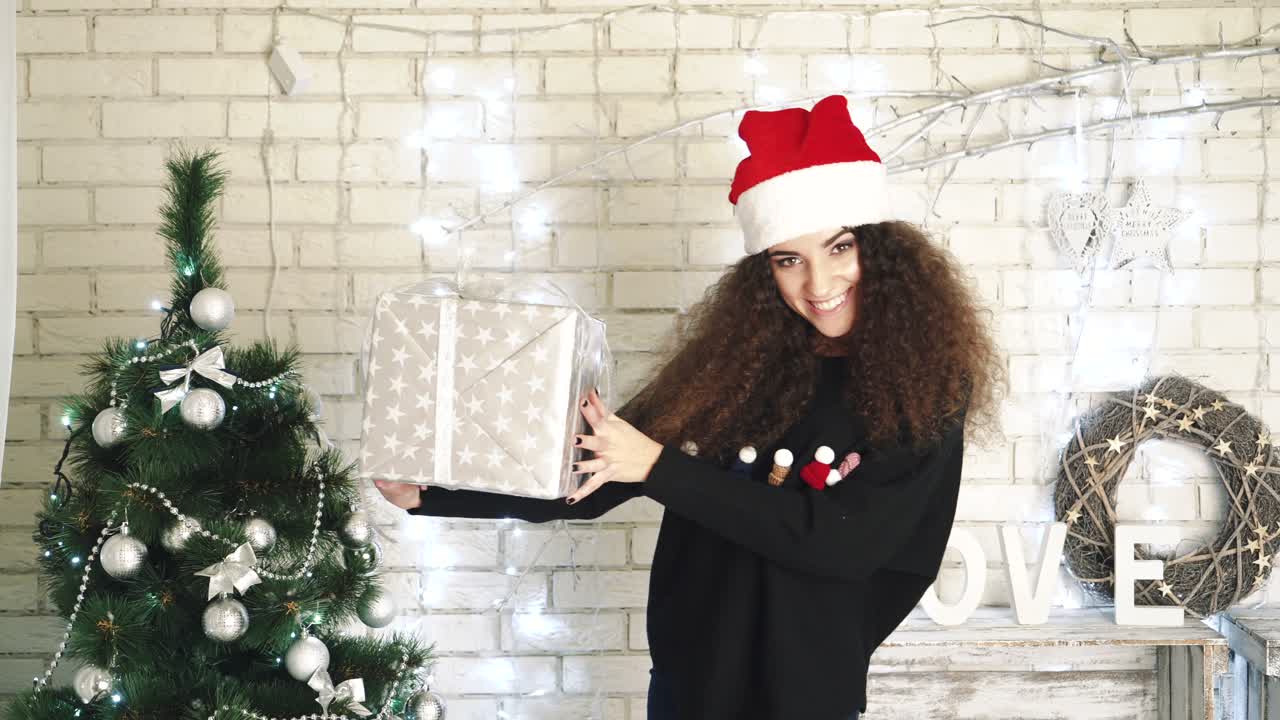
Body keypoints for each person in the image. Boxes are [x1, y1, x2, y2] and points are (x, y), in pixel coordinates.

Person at [374, 93, 1004, 720]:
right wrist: (432, 493)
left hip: (806, 690)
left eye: (839, 248)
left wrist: (658, 468)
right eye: (789, 259)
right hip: (689, 679)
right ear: (765, 272)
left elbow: (845, 545)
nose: (818, 283)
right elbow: (592, 477)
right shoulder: (734, 368)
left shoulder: (928, 386)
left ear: (884, 253)